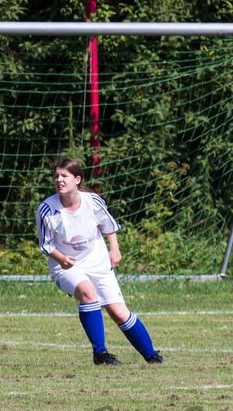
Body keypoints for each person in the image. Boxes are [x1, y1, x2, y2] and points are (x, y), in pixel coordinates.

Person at [35, 155, 163, 366]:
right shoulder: (47, 209)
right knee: (87, 292)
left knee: (119, 312)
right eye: (56, 176)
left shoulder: (93, 201)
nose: (59, 180)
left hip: (97, 260)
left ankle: (151, 355)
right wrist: (62, 258)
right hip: (65, 266)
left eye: (64, 176)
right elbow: (46, 245)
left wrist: (115, 249)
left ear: (77, 179)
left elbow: (108, 226)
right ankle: (100, 353)